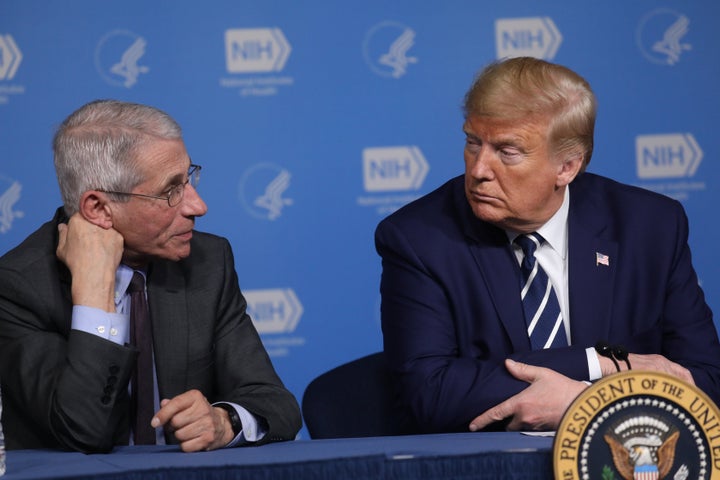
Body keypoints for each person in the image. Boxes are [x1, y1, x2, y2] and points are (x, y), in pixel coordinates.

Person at [375, 57, 720, 434]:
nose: (478, 170)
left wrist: (593, 402)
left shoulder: (649, 227)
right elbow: (430, 392)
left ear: (567, 167)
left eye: (507, 152)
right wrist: (598, 364)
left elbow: (705, 381)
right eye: (473, 142)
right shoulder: (419, 238)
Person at [0, 100, 301, 453]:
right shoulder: (19, 286)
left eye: (188, 178)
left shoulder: (208, 262)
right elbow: (81, 431)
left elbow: (277, 406)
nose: (197, 206)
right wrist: (95, 293)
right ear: (98, 208)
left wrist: (225, 421)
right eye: (170, 191)